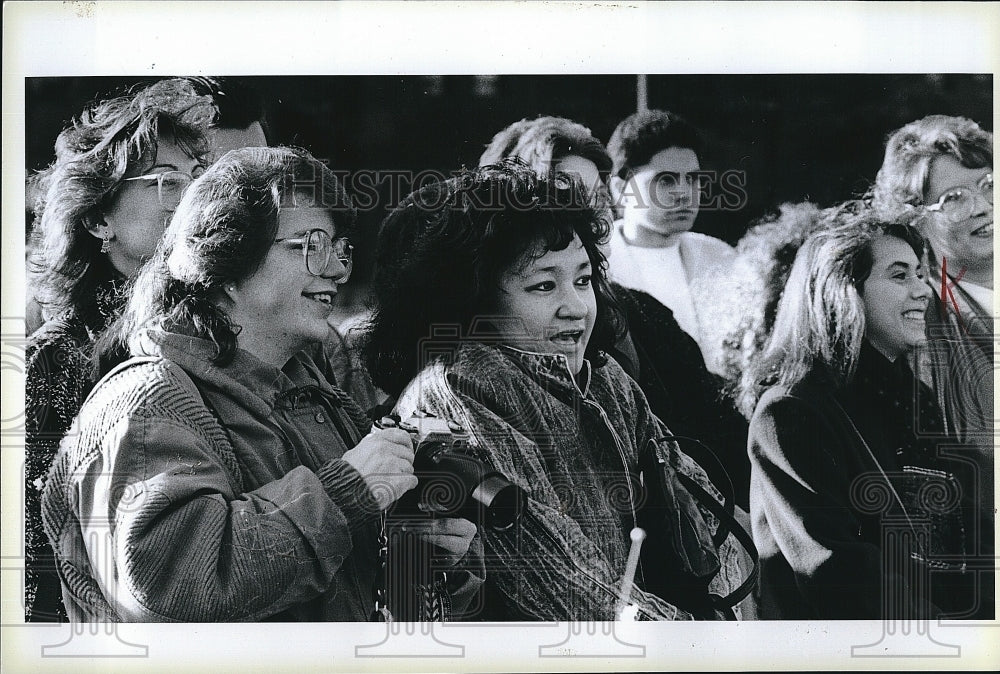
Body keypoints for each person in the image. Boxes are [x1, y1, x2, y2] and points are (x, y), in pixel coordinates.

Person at [40, 146, 478, 622]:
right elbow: (171, 590)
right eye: (310, 245)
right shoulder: (147, 405)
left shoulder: (316, 393)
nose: (335, 268)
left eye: (340, 249)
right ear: (228, 263)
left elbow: (338, 596)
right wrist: (346, 492)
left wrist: (421, 560)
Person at [363, 161, 750, 621]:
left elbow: (706, 522)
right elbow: (565, 585)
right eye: (544, 285)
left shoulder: (605, 379)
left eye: (583, 280)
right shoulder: (458, 390)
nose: (576, 306)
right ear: (474, 299)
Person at [479, 116, 752, 508]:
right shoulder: (475, 358)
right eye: (566, 201)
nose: (591, 219)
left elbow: (717, 430)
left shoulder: (644, 315)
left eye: (597, 200)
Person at [23, 78, 217, 621]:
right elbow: (37, 555)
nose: (192, 201)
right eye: (165, 182)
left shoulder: (215, 332)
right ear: (97, 218)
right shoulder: (54, 363)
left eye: (197, 180)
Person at [741, 204, 974, 619]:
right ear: (843, 291)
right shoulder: (791, 414)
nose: (924, 290)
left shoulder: (916, 400)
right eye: (900, 275)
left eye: (922, 275)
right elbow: (836, 571)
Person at [873, 116, 993, 571]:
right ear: (915, 220)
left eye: (988, 183)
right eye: (955, 199)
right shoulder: (917, 323)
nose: (983, 206)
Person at [605, 109, 735, 376]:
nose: (684, 194)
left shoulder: (722, 258)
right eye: (665, 180)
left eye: (693, 179)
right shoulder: (597, 264)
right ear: (621, 189)